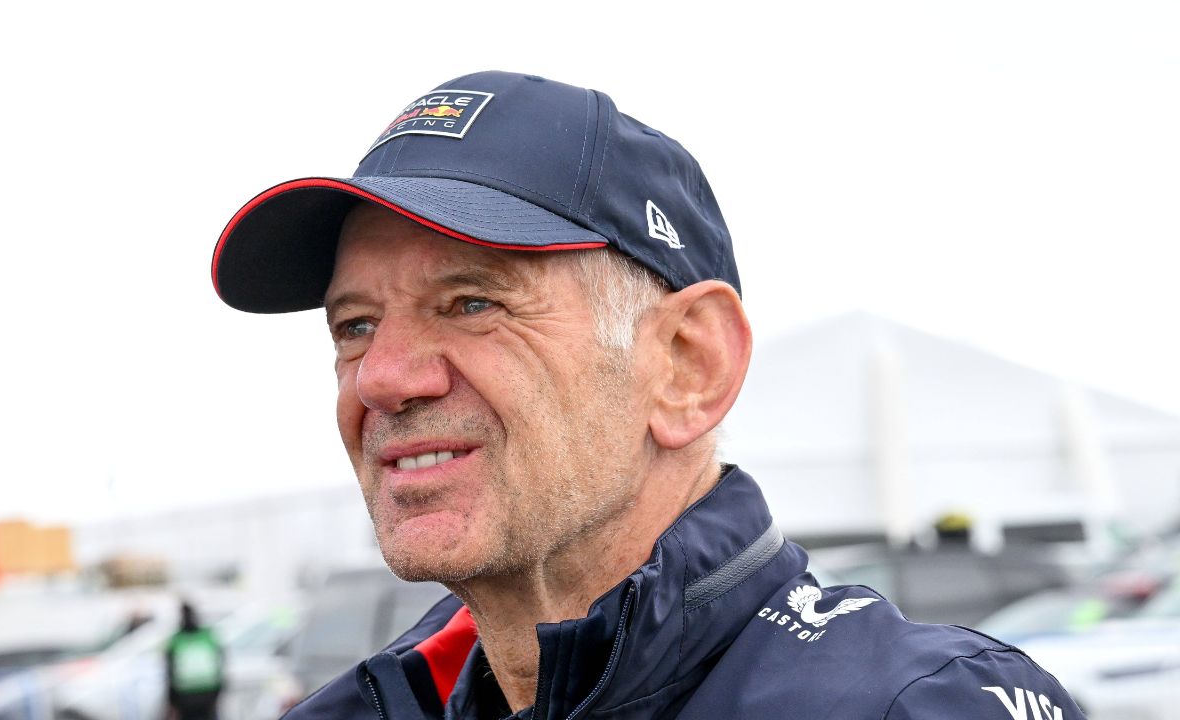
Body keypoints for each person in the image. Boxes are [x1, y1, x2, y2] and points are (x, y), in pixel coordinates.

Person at [212, 71, 1084, 719]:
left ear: (686, 365)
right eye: (355, 325)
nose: (382, 377)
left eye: (473, 303)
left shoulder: (914, 707)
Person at [165, 601, 225, 720]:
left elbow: (170, 670)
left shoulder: (177, 640)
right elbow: (220, 660)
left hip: (185, 694)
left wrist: (171, 699)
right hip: (208, 691)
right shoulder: (207, 636)